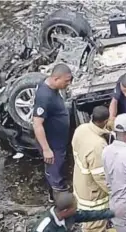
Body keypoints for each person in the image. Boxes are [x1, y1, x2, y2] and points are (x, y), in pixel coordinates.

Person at [72, 105, 114, 232]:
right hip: (92, 192)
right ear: (104, 121)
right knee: (94, 220)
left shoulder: (81, 129)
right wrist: (113, 191)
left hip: (80, 181)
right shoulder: (98, 146)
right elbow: (100, 175)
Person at [33, 63, 72, 203]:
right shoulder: (44, 96)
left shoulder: (50, 85)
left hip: (58, 141)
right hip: (52, 144)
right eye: (66, 81)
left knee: (57, 167)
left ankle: (56, 192)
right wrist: (46, 149)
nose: (69, 83)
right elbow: (37, 124)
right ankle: (60, 202)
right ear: (56, 79)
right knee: (55, 172)